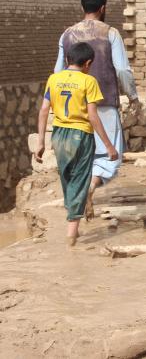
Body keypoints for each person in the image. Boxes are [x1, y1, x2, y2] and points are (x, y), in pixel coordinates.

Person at [54, 0, 139, 219]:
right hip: (104, 102)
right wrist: (132, 96)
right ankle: (90, 188)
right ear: (103, 8)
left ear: (82, 8)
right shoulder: (110, 33)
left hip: (73, 107)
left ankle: (77, 197)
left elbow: (58, 71)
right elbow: (122, 69)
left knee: (82, 155)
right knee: (108, 154)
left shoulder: (67, 35)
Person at [35, 42, 118, 246]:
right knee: (80, 182)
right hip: (80, 136)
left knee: (67, 179)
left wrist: (40, 142)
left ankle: (74, 224)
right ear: (88, 63)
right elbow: (92, 116)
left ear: (66, 60)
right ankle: (71, 236)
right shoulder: (88, 81)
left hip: (58, 135)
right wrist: (109, 145)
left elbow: (44, 110)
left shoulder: (54, 79)